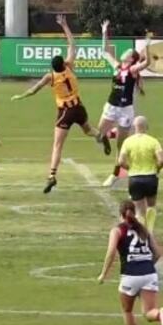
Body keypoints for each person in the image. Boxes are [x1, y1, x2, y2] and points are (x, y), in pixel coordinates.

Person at [11, 14, 99, 193]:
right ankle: (102, 136)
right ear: (63, 63)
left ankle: (52, 175)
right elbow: (72, 44)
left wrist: (21, 96)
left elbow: (33, 90)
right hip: (79, 107)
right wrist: (65, 26)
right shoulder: (70, 66)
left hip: (66, 111)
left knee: (57, 145)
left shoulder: (50, 77)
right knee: (89, 130)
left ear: (52, 66)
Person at [97, 200, 163, 325]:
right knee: (149, 312)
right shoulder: (143, 229)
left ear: (121, 215)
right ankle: (161, 314)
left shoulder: (117, 230)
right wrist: (146, 265)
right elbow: (157, 253)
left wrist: (104, 273)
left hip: (130, 275)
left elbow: (111, 252)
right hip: (149, 273)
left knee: (127, 311)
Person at [94, 19, 152, 187]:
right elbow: (105, 51)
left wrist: (147, 45)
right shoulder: (117, 66)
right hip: (111, 106)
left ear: (131, 58)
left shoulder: (133, 70)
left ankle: (115, 175)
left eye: (128, 52)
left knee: (121, 147)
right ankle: (109, 135)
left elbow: (147, 62)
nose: (125, 52)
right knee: (98, 135)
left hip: (125, 110)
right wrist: (105, 31)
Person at [118, 116, 163, 232]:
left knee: (139, 210)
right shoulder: (153, 141)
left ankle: (141, 232)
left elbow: (121, 161)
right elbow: (162, 160)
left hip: (135, 178)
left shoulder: (128, 141)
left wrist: (130, 168)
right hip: (151, 177)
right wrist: (157, 168)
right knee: (151, 206)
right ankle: (149, 230)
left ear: (134, 127)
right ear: (146, 127)